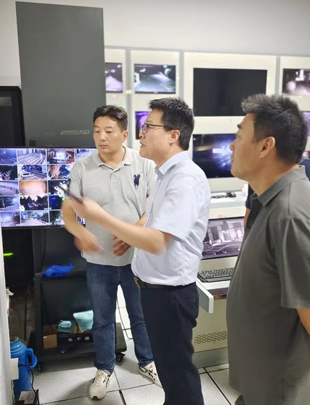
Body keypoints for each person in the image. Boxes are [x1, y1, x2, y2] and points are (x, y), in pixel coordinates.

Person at [71, 98, 209, 405]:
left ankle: (150, 367)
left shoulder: (183, 179)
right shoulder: (163, 175)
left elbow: (157, 240)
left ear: (173, 135)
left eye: (148, 127)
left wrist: (102, 218)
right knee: (173, 376)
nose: (141, 134)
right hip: (153, 286)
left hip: (171, 293)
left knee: (178, 376)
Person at [226, 94, 310, 405]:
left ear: (265, 146)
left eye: (239, 136)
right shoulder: (272, 203)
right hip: (264, 379)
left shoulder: (291, 214)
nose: (231, 146)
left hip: (283, 390)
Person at [62, 106, 160, 400]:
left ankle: (147, 361)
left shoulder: (144, 164)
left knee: (141, 315)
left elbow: (154, 210)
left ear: (124, 134)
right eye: (97, 131)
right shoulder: (82, 168)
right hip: (99, 261)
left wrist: (132, 236)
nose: (101, 137)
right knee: (102, 319)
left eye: (108, 131)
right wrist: (81, 233)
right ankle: (103, 369)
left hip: (136, 260)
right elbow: (68, 214)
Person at [244, 155, 310, 227]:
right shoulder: (258, 166)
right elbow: (250, 210)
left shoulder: (304, 165)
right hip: (262, 226)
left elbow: (308, 211)